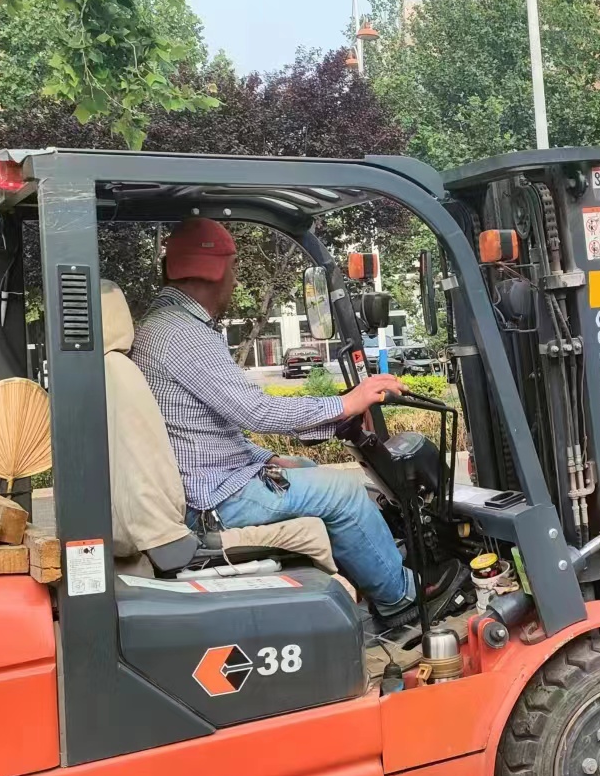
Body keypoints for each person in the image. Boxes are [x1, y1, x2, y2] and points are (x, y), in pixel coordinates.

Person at [132, 217, 446, 627]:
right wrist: (346, 404)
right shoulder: (181, 333)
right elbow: (255, 411)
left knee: (307, 469)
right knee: (344, 493)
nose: (235, 279)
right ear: (214, 270)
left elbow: (204, 426)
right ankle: (401, 599)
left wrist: (266, 458)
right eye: (234, 267)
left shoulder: (165, 324)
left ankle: (375, 575)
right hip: (214, 500)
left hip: (207, 483)